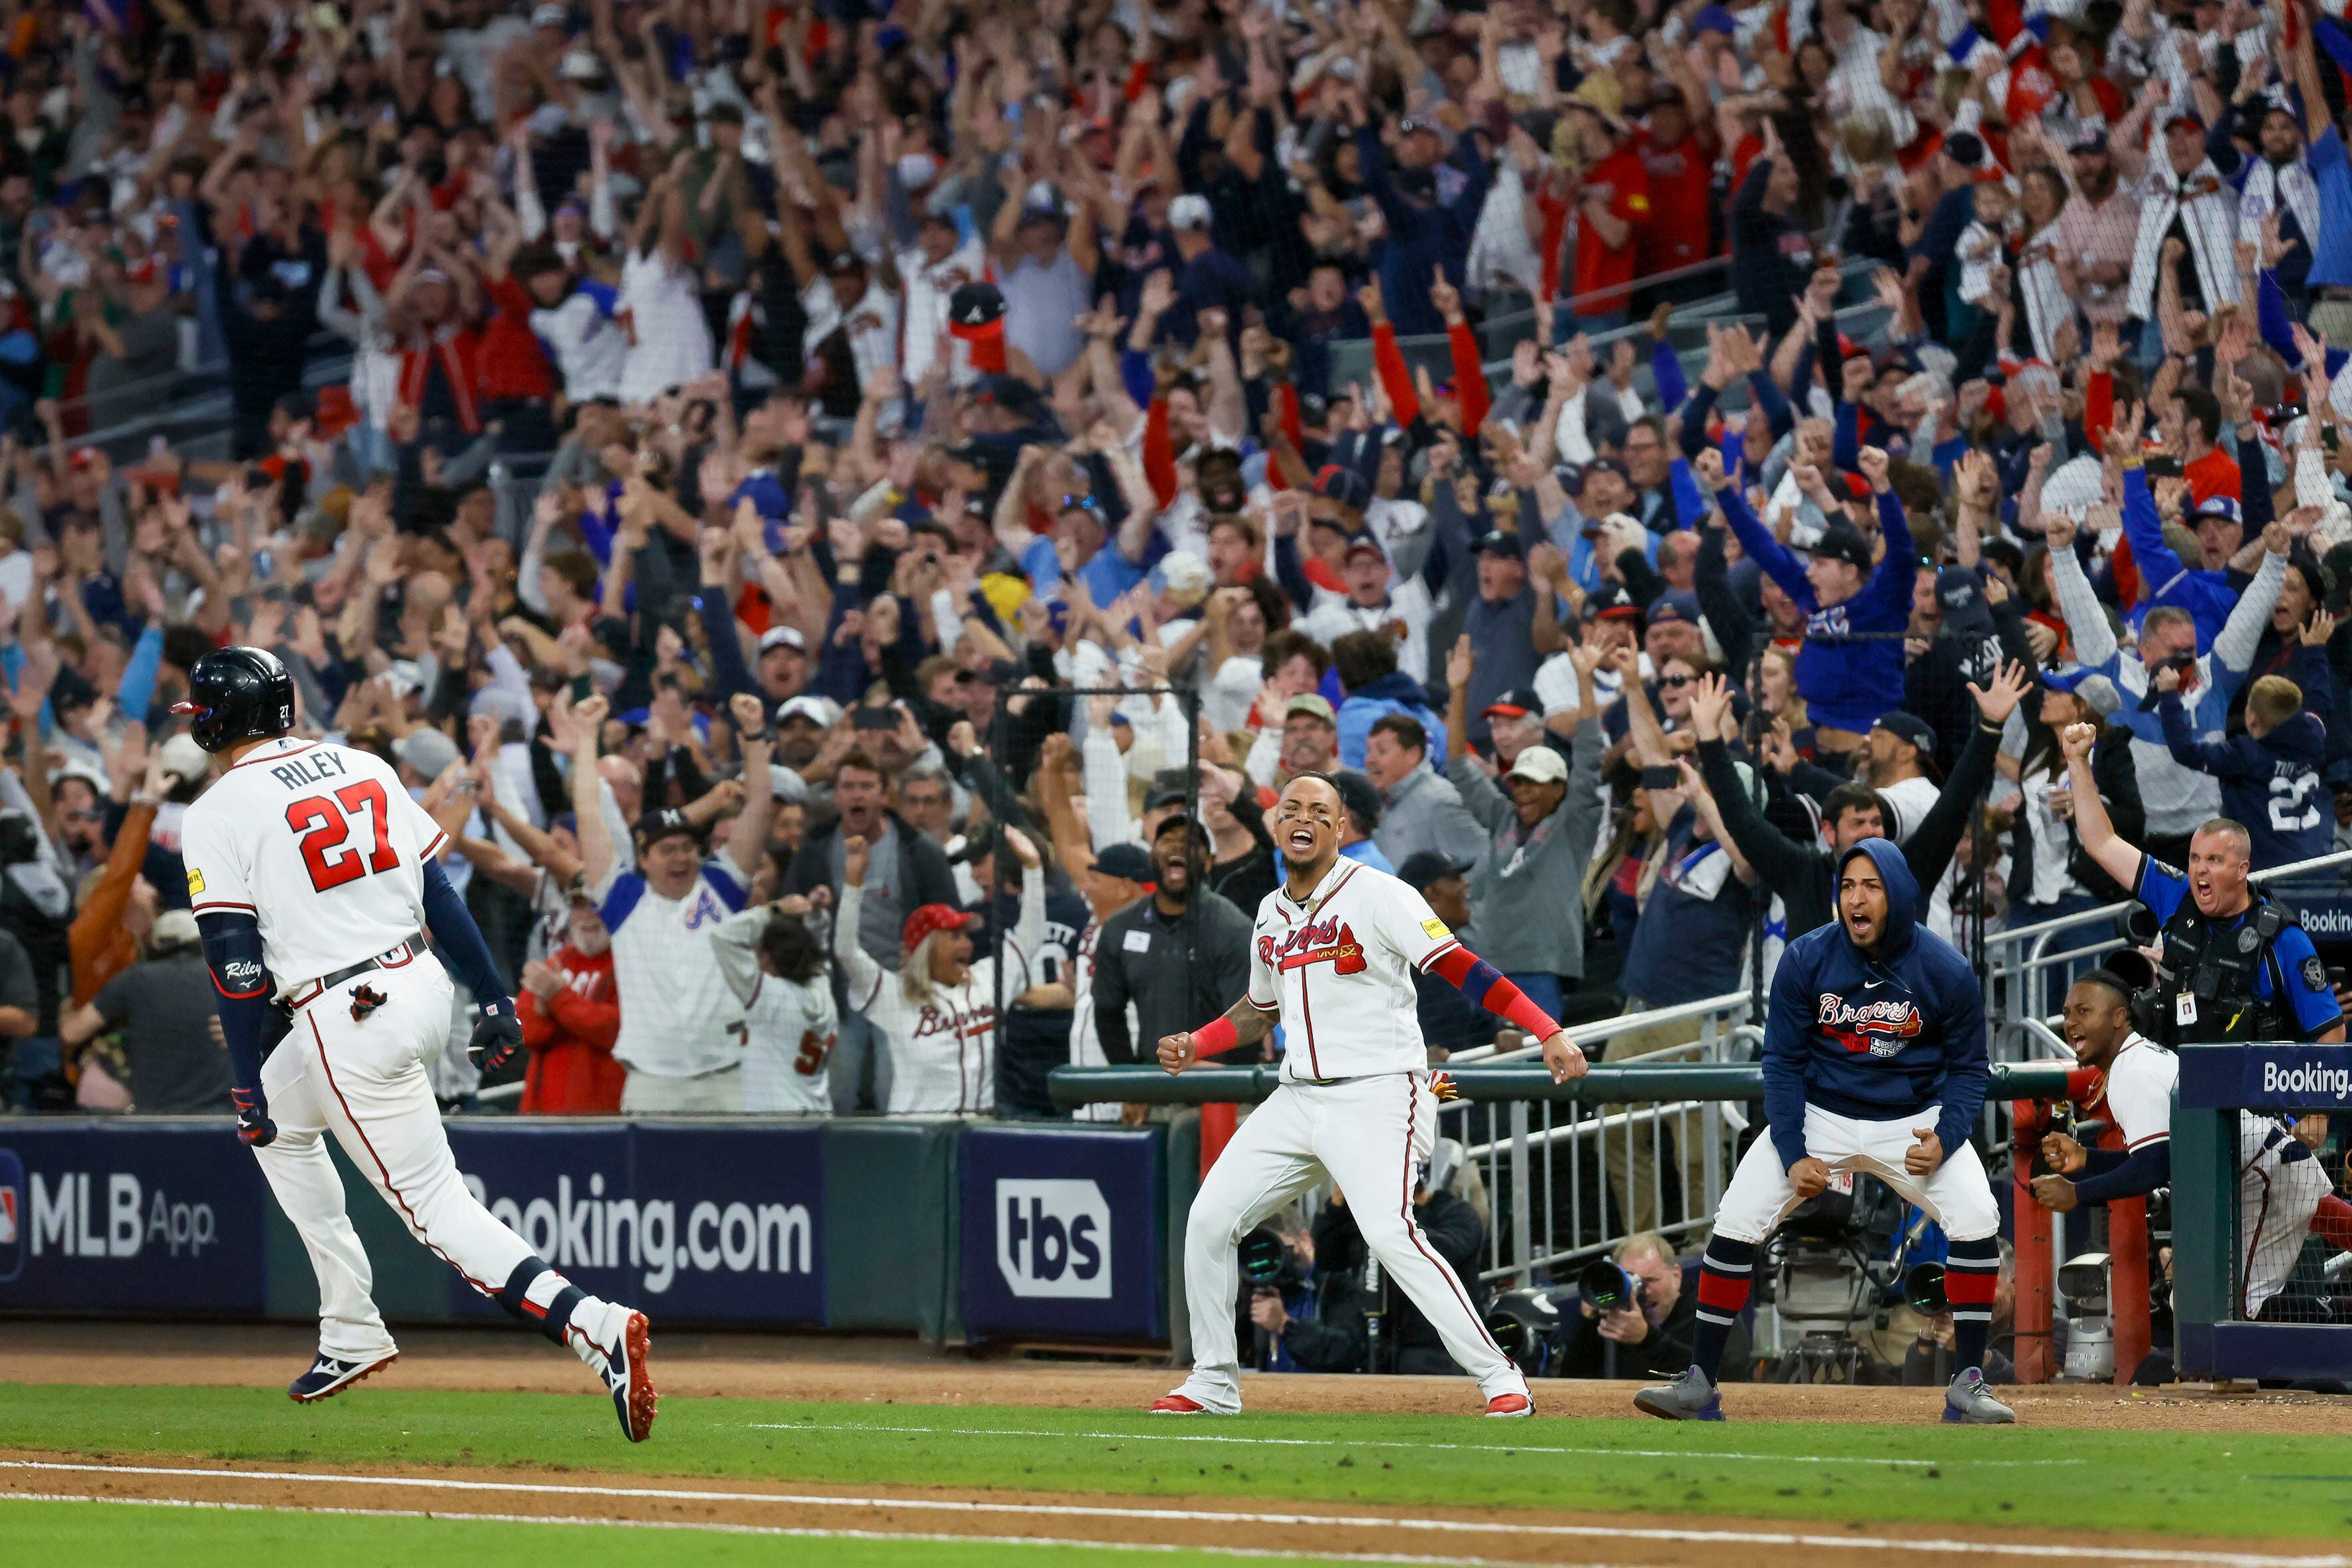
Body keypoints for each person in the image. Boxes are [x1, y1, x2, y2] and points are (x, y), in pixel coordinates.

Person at [175, 647, 654, 1439]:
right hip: (422, 983)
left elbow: (235, 963)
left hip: (347, 1012)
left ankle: (594, 1325)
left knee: (435, 1208)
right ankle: (349, 1326)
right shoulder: (360, 765)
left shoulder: (219, 809)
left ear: (213, 723)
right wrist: (493, 992)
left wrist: (241, 1076)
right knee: (284, 1130)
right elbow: (437, 886)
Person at [1147, 771, 1595, 1418]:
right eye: (1291, 807)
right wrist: (1200, 1042)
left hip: (1380, 1092)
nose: (1302, 817)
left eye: (1318, 811)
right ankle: (1213, 1380)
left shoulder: (1379, 894)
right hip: (1298, 1094)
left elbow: (1461, 966)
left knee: (1389, 1233)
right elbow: (1258, 1009)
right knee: (1209, 1219)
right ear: (1277, 826)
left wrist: (1545, 1027)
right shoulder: (1271, 913)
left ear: (1338, 830)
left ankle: (1501, 1376)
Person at [1635, 839, 2012, 1425]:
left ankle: (1968, 1381)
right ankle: (1700, 1383)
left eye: (1871, 886)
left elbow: (1969, 1068)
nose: (1855, 899)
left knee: (1977, 1216)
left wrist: (1947, 1132)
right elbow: (1781, 1062)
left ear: (1899, 894)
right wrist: (1792, 1151)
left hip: (1911, 1118)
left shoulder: (1946, 969)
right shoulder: (1808, 957)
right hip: (1821, 1112)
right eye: (1846, 886)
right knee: (1735, 1220)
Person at [2030, 970, 2331, 1323]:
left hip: (2268, 1178)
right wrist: (2086, 1158)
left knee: (2231, 1310)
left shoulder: (2133, 1072)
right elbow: (2161, 1158)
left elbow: (2151, 1169)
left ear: (2117, 1018)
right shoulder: (2134, 1060)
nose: (2072, 1023)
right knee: (2196, 1301)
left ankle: (2330, 1330)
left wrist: (2077, 1193)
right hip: (2266, 1173)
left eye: (2084, 1011)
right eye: (2067, 1013)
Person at [2060, 721, 2345, 1047]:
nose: (2200, 871)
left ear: (2243, 870)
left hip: (2247, 1091)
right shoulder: (2175, 893)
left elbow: (2331, 1035)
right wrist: (2078, 762)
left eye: (2214, 861)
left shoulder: (2282, 939)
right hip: (2175, 1079)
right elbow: (2102, 842)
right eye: (2195, 858)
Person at [572, 691, 776, 1113]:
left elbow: (758, 804)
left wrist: (754, 735)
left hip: (728, 1075)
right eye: (667, 850)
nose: (682, 857)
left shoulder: (722, 886)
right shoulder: (622, 898)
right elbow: (588, 810)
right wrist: (587, 736)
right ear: (643, 859)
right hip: (651, 1081)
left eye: (687, 846)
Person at [834, 825, 1044, 1116]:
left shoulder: (986, 980)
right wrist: (854, 883)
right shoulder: (895, 996)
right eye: (955, 936)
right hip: (919, 1134)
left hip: (978, 1132)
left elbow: (1031, 935)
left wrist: (1033, 868)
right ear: (927, 947)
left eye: (966, 935)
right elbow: (846, 950)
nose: (968, 945)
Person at [1092, 817, 1254, 1068]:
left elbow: (1249, 1017)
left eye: (1189, 842)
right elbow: (1107, 1012)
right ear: (1152, 857)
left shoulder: (1232, 929)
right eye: (1167, 840)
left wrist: (1228, 1081)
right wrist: (1130, 1082)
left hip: (1216, 1087)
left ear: (1209, 862)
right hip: (1153, 1087)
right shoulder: (1121, 927)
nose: (1178, 847)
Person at [57, 909, 225, 1113]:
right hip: (224, 1117)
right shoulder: (227, 980)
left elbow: (72, 1032)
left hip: (154, 1120)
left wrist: (67, 1005)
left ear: (155, 944)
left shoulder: (134, 979)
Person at [710, 895, 838, 1116]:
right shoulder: (823, 986)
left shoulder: (768, 995)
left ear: (767, 959)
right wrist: (816, 914)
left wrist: (773, 910)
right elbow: (819, 943)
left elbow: (721, 936)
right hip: (820, 1120)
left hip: (776, 1124)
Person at [513, 901, 624, 1115]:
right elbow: (524, 1031)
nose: (587, 917)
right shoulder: (561, 960)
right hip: (541, 1116)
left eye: (596, 906)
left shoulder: (629, 963)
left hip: (601, 1120)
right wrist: (554, 1010)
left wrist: (557, 998)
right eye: (579, 907)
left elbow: (614, 1030)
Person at [1556, 1232, 1699, 1381]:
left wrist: (1647, 1338)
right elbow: (1570, 1381)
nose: (1644, 1292)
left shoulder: (1701, 1318)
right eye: (1632, 1283)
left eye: (1651, 1280)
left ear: (1676, 1276)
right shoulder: (1611, 1320)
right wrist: (1587, 1326)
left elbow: (1713, 1378)